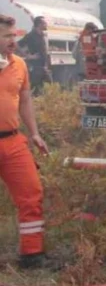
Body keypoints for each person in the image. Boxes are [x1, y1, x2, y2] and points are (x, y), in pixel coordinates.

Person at [0, 15, 52, 269]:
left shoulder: (19, 64)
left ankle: (32, 255)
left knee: (31, 194)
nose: (13, 40)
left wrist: (34, 133)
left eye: (13, 35)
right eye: (7, 36)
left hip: (12, 141)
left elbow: (25, 99)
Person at [17, 17, 50, 94]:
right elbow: (17, 44)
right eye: (44, 23)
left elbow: (43, 51)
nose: (46, 25)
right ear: (39, 24)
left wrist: (46, 65)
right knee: (35, 87)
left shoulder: (41, 35)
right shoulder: (31, 35)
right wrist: (27, 56)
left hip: (42, 66)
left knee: (44, 88)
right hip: (35, 66)